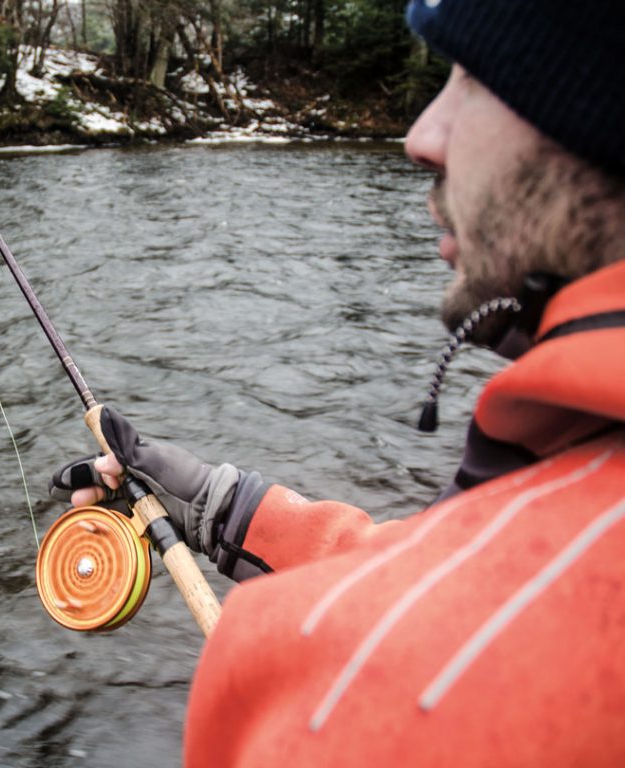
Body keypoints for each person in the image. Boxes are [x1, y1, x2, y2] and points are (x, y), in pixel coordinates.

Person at [49, 1, 625, 765]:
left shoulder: (353, 705)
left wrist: (286, 659)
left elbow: (461, 623)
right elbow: (468, 583)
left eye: (472, 78)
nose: (421, 137)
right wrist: (222, 504)